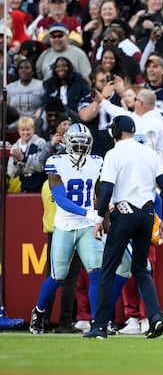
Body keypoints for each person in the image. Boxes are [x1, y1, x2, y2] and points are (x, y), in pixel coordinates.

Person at [84, 115, 163, 339]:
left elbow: (106, 189)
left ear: (115, 132)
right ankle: (155, 317)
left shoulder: (114, 153)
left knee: (108, 270)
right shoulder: (150, 153)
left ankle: (100, 326)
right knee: (141, 270)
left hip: (124, 213)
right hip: (147, 214)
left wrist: (98, 219)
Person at [29, 124, 104, 335]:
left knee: (96, 271)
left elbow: (99, 193)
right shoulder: (56, 162)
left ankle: (98, 322)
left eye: (84, 143)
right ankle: (39, 311)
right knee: (58, 276)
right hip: (65, 224)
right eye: (77, 143)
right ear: (67, 143)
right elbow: (61, 199)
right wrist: (88, 213)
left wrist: (102, 219)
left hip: (87, 226)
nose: (80, 148)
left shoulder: (97, 162)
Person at [7, 116, 47, 193]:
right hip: (24, 184)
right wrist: (16, 163)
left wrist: (23, 159)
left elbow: (40, 166)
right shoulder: (15, 147)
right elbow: (11, 173)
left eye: (28, 129)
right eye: (23, 130)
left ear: (33, 130)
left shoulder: (40, 143)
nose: (25, 133)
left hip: (39, 183)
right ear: (18, 131)